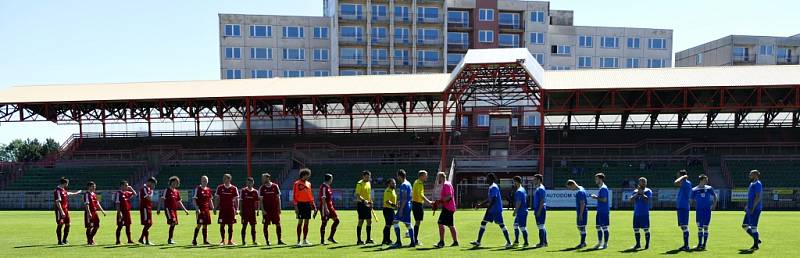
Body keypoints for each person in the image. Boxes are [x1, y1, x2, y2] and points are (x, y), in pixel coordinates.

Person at [470, 173, 512, 248]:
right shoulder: (491, 187)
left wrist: (488, 208)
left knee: (501, 224)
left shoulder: (494, 187)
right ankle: (478, 241)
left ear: (491, 179)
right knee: (483, 223)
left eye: (488, 178)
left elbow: (494, 200)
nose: (486, 180)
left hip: (495, 210)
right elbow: (489, 199)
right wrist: (480, 205)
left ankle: (509, 242)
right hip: (491, 209)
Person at [157, 176, 190, 245]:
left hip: (174, 210)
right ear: (171, 182)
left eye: (177, 182)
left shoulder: (176, 192)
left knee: (174, 223)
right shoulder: (167, 190)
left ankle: (170, 239)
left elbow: (179, 202)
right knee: (173, 222)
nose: (175, 183)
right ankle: (170, 239)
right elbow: (161, 199)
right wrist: (159, 208)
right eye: (174, 182)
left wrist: (185, 210)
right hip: (168, 209)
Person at [391, 169, 416, 248]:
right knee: (408, 224)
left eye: (397, 176)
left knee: (395, 222)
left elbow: (405, 198)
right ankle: (413, 242)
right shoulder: (408, 183)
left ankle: (398, 242)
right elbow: (408, 197)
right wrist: (400, 201)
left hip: (404, 206)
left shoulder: (403, 185)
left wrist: (401, 209)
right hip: (408, 205)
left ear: (399, 176)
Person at [691, 174, 717, 250]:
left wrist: (714, 205)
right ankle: (699, 244)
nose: (707, 181)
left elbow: (715, 196)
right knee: (699, 228)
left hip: (707, 211)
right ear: (702, 180)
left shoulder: (709, 188)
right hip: (699, 211)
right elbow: (691, 200)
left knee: (706, 227)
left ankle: (704, 245)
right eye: (706, 179)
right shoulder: (694, 190)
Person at [54, 177, 82, 245]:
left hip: (65, 210)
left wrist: (76, 193)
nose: (67, 185)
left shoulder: (63, 190)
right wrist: (61, 211)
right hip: (60, 210)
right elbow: (57, 202)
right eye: (67, 183)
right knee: (60, 225)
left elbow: (68, 193)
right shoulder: (57, 191)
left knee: (68, 224)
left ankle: (64, 240)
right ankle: (59, 241)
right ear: (65, 183)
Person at [259, 173, 284, 245]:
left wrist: (279, 208)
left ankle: (279, 240)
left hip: (275, 209)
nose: (262, 179)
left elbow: (278, 197)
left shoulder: (275, 186)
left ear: (268, 178)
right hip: (266, 210)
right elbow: (261, 200)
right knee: (266, 225)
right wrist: (262, 210)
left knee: (278, 224)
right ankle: (267, 241)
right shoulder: (262, 188)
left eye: (263, 178)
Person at [434, 172, 458, 248]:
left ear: (441, 177)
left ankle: (441, 242)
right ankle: (455, 242)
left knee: (440, 223)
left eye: (438, 177)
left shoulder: (446, 185)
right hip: (450, 207)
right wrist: (440, 201)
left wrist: (440, 201)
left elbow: (449, 196)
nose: (438, 179)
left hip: (448, 207)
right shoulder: (448, 183)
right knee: (450, 225)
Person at [293, 168, 316, 246]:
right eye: (307, 175)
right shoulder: (297, 183)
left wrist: (314, 206)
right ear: (304, 175)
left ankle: (305, 240)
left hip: (307, 205)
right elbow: (294, 196)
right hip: (300, 204)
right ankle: (298, 240)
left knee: (307, 222)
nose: (308, 176)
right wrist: (296, 207)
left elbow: (310, 196)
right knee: (300, 222)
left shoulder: (309, 184)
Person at [214, 173, 239, 246]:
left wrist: (237, 209)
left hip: (231, 210)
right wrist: (215, 208)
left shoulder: (234, 188)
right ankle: (222, 240)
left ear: (229, 179)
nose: (224, 179)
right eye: (223, 178)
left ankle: (230, 241)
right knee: (222, 225)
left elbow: (236, 199)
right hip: (222, 210)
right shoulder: (220, 187)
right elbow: (217, 198)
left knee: (231, 225)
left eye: (225, 178)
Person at [629, 177, 652, 250]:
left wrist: (641, 193)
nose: (642, 183)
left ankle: (647, 245)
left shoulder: (648, 191)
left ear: (646, 183)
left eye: (643, 182)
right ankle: (638, 244)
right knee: (636, 229)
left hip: (644, 214)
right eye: (640, 182)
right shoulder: (635, 191)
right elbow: (631, 200)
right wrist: (636, 194)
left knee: (646, 229)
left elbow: (647, 200)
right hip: (636, 214)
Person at [411, 170, 432, 246]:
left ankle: (414, 239)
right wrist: (429, 201)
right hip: (417, 204)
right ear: (421, 176)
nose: (427, 177)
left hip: (416, 204)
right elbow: (421, 195)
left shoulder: (417, 182)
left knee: (418, 222)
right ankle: (414, 240)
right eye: (425, 175)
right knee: (417, 222)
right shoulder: (419, 183)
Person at [743, 170, 763, 250]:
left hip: (755, 208)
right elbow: (750, 197)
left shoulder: (758, 184)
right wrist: (747, 206)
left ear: (755, 175)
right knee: (745, 225)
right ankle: (756, 239)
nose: (749, 175)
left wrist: (753, 208)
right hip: (750, 207)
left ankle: (755, 245)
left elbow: (757, 197)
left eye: (750, 174)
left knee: (754, 227)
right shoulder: (751, 184)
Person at [590, 173, 610, 250]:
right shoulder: (601, 188)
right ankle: (599, 242)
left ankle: (605, 244)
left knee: (604, 227)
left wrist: (595, 197)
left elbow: (604, 200)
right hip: (600, 211)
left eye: (596, 178)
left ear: (600, 179)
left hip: (604, 211)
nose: (595, 180)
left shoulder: (604, 188)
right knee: (598, 227)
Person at [674, 169, 692, 251]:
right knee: (683, 226)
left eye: (678, 175)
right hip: (681, 207)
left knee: (684, 226)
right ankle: (685, 245)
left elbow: (676, 182)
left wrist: (683, 177)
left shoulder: (686, 183)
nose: (677, 176)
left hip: (683, 207)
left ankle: (686, 245)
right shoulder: (684, 183)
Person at [113, 180, 137, 245]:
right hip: (121, 212)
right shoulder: (118, 193)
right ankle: (118, 241)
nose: (127, 186)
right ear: (121, 186)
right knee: (120, 226)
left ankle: (129, 240)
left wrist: (131, 188)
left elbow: (135, 194)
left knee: (128, 226)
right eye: (126, 185)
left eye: (127, 185)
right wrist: (119, 213)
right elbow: (117, 204)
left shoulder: (127, 193)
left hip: (127, 212)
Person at [192, 175, 213, 246]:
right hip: (200, 210)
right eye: (203, 180)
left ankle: (205, 240)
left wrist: (213, 208)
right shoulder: (198, 188)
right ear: (201, 180)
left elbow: (210, 199)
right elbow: (194, 199)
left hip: (206, 210)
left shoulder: (208, 189)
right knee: (199, 224)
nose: (205, 181)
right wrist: (197, 208)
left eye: (206, 180)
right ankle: (194, 240)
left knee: (205, 225)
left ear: (207, 181)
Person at [566, 179, 588, 248]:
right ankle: (583, 242)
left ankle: (582, 243)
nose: (570, 189)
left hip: (582, 212)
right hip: (582, 211)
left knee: (581, 227)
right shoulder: (581, 188)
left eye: (569, 187)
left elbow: (582, 203)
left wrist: (580, 214)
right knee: (580, 227)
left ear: (572, 185)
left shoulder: (580, 192)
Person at [83, 181, 106, 245]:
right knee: (89, 227)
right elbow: (86, 204)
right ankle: (89, 241)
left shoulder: (94, 194)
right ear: (89, 187)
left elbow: (97, 203)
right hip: (89, 212)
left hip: (95, 212)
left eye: (94, 186)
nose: (94, 187)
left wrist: (102, 211)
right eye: (93, 186)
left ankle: (91, 238)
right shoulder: (87, 194)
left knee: (96, 226)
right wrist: (89, 213)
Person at [319, 173, 339, 245]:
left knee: (337, 220)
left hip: (330, 207)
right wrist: (326, 208)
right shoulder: (323, 187)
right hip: (325, 207)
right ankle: (322, 240)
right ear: (330, 179)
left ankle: (331, 237)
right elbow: (323, 198)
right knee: (324, 222)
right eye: (331, 179)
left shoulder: (328, 186)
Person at [354, 170, 373, 245]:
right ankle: (359, 240)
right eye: (367, 176)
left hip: (367, 204)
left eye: (369, 176)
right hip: (361, 204)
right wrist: (364, 200)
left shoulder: (369, 183)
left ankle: (368, 239)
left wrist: (371, 201)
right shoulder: (359, 183)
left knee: (369, 221)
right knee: (361, 221)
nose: (368, 178)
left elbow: (369, 194)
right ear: (363, 176)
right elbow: (358, 195)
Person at [240, 177, 260, 245]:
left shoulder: (255, 191)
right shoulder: (243, 190)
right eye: (247, 182)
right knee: (244, 226)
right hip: (245, 212)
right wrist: (240, 210)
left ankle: (254, 241)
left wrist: (257, 210)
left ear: (252, 183)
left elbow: (257, 202)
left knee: (253, 227)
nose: (248, 184)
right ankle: (243, 241)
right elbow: (241, 201)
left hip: (252, 212)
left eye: (250, 182)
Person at [137, 177, 156, 245]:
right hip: (145, 208)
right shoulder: (144, 188)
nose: (153, 186)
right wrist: (151, 192)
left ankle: (141, 239)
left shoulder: (148, 189)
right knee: (148, 224)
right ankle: (146, 241)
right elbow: (149, 198)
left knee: (149, 224)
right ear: (150, 182)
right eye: (153, 184)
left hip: (148, 208)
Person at [511, 176, 529, 247]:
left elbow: (519, 202)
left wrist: (515, 211)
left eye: (514, 181)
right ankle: (516, 241)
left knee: (522, 227)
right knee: (515, 226)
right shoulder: (523, 189)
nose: (513, 183)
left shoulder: (519, 191)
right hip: (521, 211)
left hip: (521, 212)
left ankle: (526, 242)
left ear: (516, 182)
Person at [532, 174, 548, 248]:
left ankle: (542, 243)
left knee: (540, 226)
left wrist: (538, 211)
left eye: (534, 179)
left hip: (540, 209)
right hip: (538, 209)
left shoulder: (540, 188)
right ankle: (544, 242)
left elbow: (542, 201)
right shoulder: (539, 188)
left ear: (538, 180)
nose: (533, 180)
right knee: (541, 226)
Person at [381, 179, 397, 245]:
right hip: (387, 209)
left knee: (389, 225)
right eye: (393, 183)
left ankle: (387, 240)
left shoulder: (393, 190)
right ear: (389, 184)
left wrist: (395, 205)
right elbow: (387, 201)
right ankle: (385, 240)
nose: (394, 184)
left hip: (391, 209)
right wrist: (394, 205)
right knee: (388, 225)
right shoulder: (388, 191)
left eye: (395, 183)